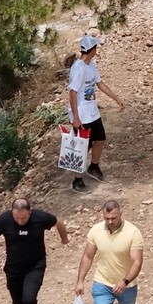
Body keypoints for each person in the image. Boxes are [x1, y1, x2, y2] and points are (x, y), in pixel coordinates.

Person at [75, 200, 143, 304]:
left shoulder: (133, 232)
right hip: (102, 283)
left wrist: (125, 281)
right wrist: (80, 281)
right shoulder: (96, 231)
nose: (110, 221)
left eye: (113, 218)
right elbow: (88, 256)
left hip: (127, 286)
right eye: (107, 218)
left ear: (120, 214)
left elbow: (137, 262)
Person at [67, 34, 125, 192]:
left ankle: (94, 167)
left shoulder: (91, 65)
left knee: (99, 139)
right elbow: (72, 94)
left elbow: (100, 84)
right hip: (82, 114)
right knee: (81, 147)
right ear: (92, 49)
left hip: (92, 111)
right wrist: (75, 118)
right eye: (96, 47)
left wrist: (116, 98)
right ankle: (77, 180)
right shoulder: (78, 68)